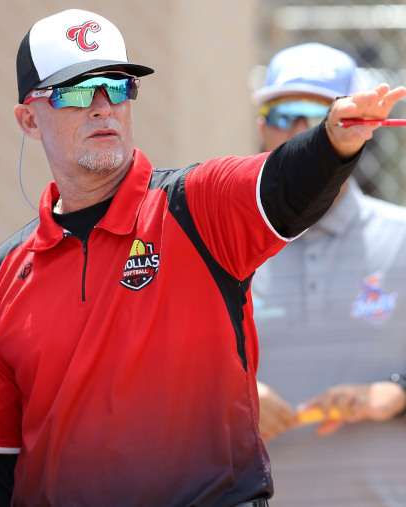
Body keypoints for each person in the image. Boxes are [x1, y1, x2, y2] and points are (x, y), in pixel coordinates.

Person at [0, 9, 405, 507]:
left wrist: (334, 140)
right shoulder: (6, 273)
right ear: (29, 119)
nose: (102, 108)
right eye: (76, 92)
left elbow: (281, 184)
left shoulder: (195, 206)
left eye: (117, 87)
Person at [251, 43, 406, 506]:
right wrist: (231, 396)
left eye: (321, 114)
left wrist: (395, 393)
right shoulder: (221, 249)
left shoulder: (401, 238)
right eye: (282, 114)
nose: (301, 132)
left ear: (366, 127)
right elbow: (158, 376)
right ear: (261, 125)